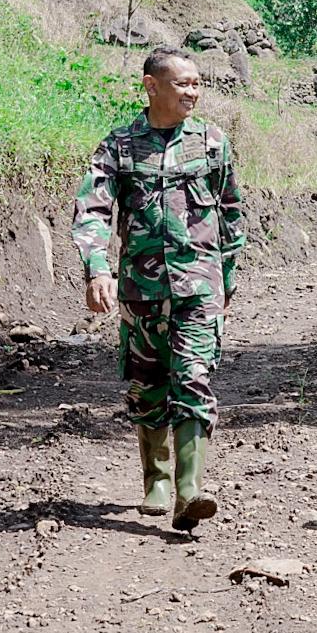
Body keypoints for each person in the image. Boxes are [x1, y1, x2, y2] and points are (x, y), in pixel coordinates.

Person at [71, 47, 246, 532]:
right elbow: (94, 210)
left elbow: (231, 208)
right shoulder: (120, 145)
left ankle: (190, 491)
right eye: (182, 83)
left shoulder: (213, 142)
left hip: (199, 283)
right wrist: (97, 267)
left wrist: (228, 274)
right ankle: (157, 480)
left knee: (193, 376)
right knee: (148, 383)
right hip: (142, 286)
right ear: (151, 86)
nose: (193, 91)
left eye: (197, 83)